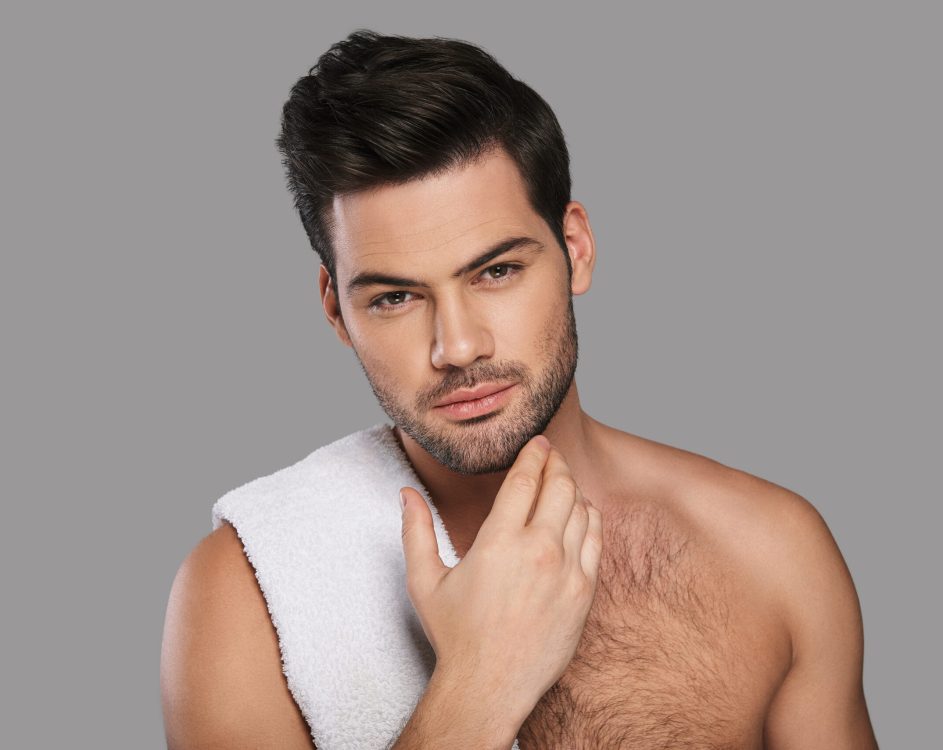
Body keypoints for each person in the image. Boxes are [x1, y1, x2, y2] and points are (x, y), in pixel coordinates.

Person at [160, 29, 878, 749]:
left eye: (496, 272)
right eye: (395, 299)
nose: (458, 347)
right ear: (335, 311)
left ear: (575, 249)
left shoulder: (770, 553)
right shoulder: (246, 595)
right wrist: (478, 682)